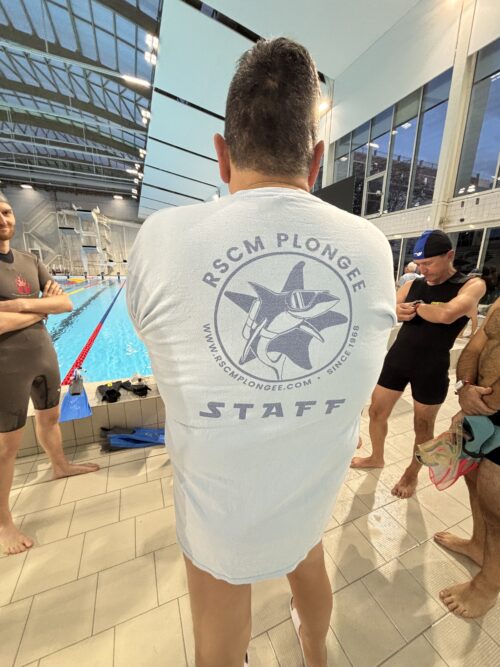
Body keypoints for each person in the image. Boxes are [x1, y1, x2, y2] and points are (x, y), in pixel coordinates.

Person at [127, 38, 396, 667]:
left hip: (218, 503)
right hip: (310, 490)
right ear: (318, 159)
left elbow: (156, 337)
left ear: (222, 155)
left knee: (220, 618)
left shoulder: (162, 237)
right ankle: (316, 654)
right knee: (308, 559)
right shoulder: (371, 246)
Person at [351, 229, 486, 500]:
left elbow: (447, 315)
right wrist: (397, 310)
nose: (423, 271)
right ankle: (377, 456)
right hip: (398, 359)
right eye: (419, 264)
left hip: (431, 366)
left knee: (422, 426)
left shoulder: (471, 284)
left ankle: (412, 473)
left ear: (449, 255)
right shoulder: (413, 284)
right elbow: (386, 309)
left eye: (429, 264)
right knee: (376, 411)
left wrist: (414, 308)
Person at [0, 194, 99, 555]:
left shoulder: (30, 261)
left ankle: (60, 466)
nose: (3, 219)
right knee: (6, 446)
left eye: (6, 211)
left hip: (43, 356)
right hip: (6, 367)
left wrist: (18, 305)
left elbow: (66, 302)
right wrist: (41, 309)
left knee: (50, 416)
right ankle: (4, 523)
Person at [434, 297, 500, 618]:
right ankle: (477, 545)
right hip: (482, 407)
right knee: (474, 479)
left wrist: (483, 404)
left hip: (490, 408)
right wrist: (465, 388)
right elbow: (477, 344)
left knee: (498, 507)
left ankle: (488, 586)